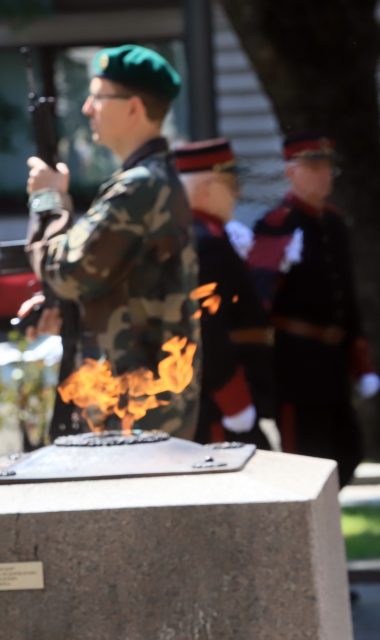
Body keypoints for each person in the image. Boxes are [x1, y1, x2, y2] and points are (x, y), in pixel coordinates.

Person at [20, 45, 200, 438]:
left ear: (133, 108)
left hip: (134, 405)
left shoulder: (139, 186)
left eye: (99, 97)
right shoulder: (149, 180)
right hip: (141, 401)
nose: (87, 109)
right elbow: (113, 282)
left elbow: (65, 271)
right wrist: (65, 307)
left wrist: (49, 199)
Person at [247, 132, 378, 487]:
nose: (325, 175)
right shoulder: (277, 225)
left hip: (332, 362)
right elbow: (258, 304)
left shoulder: (333, 224)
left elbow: (345, 298)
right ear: (291, 171)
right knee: (305, 457)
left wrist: (360, 363)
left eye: (327, 168)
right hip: (295, 366)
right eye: (314, 167)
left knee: (348, 450)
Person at [174, 138, 275, 449]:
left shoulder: (206, 235)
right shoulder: (204, 243)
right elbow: (209, 329)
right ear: (205, 188)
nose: (238, 194)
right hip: (217, 404)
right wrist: (236, 403)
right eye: (230, 184)